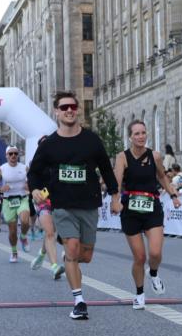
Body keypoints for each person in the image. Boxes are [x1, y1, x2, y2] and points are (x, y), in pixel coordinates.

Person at [29, 91, 120, 320]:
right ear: (57, 112)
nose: (69, 110)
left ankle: (69, 259)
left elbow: (107, 169)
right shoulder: (50, 144)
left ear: (77, 110)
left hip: (88, 204)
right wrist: (35, 190)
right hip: (63, 205)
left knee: (85, 256)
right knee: (72, 248)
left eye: (73, 106)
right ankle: (79, 301)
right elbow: (35, 173)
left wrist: (116, 196)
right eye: (64, 107)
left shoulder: (91, 140)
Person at [114, 120, 182, 310]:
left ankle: (153, 273)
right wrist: (115, 200)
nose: (141, 136)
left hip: (152, 208)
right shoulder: (122, 157)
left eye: (143, 133)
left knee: (155, 252)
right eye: (136, 133)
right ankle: (139, 294)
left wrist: (173, 195)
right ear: (130, 137)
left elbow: (161, 176)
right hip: (131, 211)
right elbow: (117, 182)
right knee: (140, 257)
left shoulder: (155, 155)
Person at [29, 136, 66, 280]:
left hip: (59, 200)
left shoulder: (61, 161)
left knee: (54, 232)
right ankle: (55, 267)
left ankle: (41, 254)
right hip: (43, 201)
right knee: (50, 232)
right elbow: (31, 180)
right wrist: (35, 191)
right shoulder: (36, 164)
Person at [0, 146, 32, 262]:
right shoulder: (1, 169)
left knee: (25, 221)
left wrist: (30, 185)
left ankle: (24, 237)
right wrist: (0, 188)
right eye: (10, 154)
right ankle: (14, 252)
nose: (13, 156)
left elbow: (33, 180)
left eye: (15, 153)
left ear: (18, 155)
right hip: (8, 201)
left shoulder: (25, 168)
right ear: (6, 156)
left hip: (22, 198)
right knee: (13, 230)